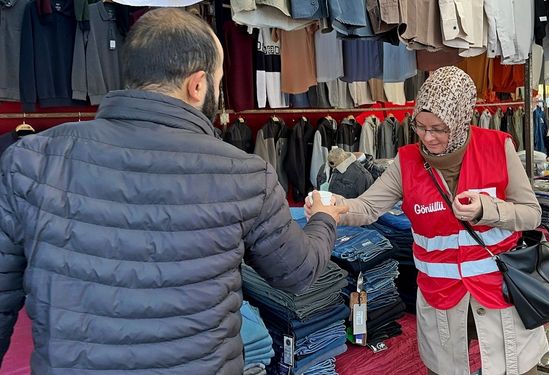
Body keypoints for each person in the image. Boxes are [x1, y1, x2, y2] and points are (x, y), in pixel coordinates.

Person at [0, 8, 347, 374]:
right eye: (219, 80)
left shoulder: (31, 160)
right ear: (198, 85)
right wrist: (325, 217)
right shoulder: (244, 173)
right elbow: (296, 273)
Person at [307, 66, 547, 375]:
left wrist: (488, 210)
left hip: (500, 294)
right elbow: (367, 207)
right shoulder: (406, 161)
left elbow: (531, 213)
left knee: (514, 368)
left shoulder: (498, 147)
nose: (428, 137)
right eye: (420, 126)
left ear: (461, 120)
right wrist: (334, 208)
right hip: (441, 300)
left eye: (439, 128)